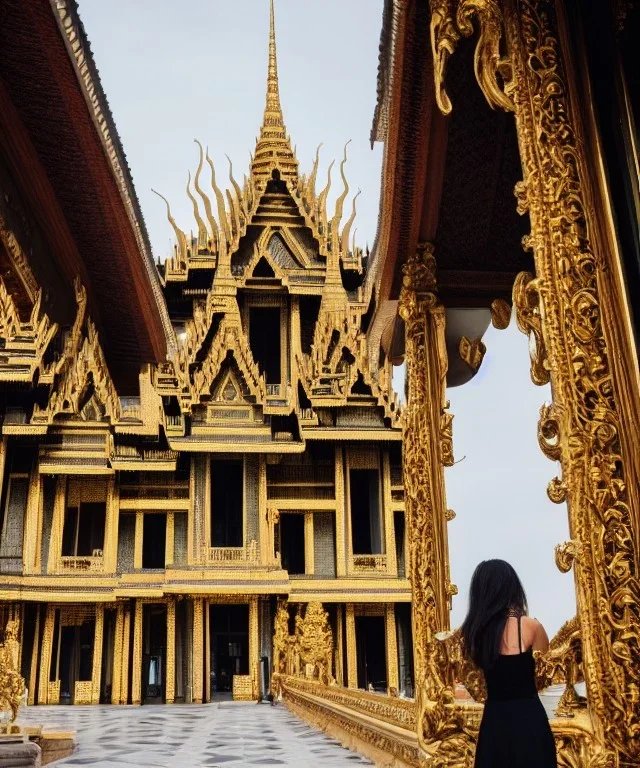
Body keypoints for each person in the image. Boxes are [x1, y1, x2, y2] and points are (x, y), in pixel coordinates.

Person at [461, 559, 557, 768]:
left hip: (495, 724)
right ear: (512, 587)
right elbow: (544, 676)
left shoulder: (475, 634)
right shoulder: (531, 627)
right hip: (529, 720)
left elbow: (472, 683)